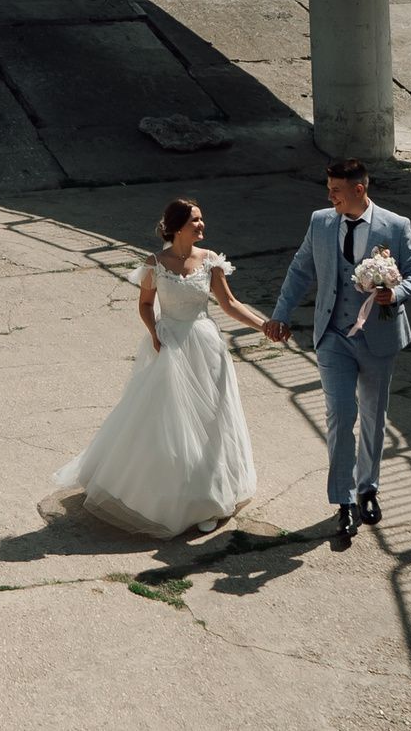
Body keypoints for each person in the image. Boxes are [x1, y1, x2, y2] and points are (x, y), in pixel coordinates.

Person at [50, 199, 267, 538]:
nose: (201, 225)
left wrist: (264, 326)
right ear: (177, 226)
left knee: (211, 420)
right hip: (171, 346)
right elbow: (146, 304)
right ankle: (176, 496)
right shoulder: (155, 263)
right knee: (172, 422)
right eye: (195, 220)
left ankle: (211, 498)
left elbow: (230, 304)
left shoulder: (210, 260)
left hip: (206, 346)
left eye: (201, 219)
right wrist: (154, 332)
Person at [264, 161, 411, 549]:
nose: (329, 195)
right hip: (332, 335)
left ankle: (367, 489)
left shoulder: (395, 225)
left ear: (359, 190)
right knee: (340, 414)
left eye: (336, 189)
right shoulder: (321, 222)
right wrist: (281, 312)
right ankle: (342, 500)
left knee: (374, 415)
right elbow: (300, 269)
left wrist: (397, 292)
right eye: (328, 188)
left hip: (379, 336)